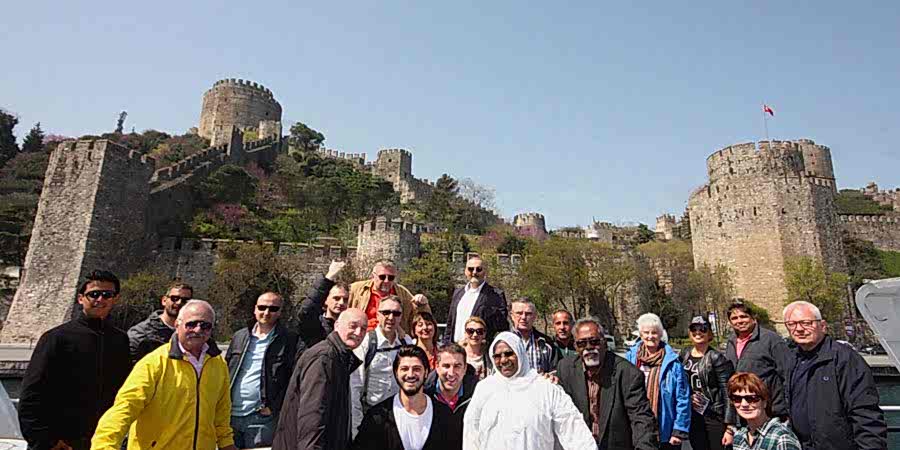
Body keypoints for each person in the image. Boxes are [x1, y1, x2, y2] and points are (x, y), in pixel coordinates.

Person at [92, 300, 236, 450]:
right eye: (191, 324)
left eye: (205, 325)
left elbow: (222, 412)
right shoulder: (153, 363)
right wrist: (104, 445)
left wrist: (226, 443)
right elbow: (124, 408)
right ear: (177, 324)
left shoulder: (218, 364)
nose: (198, 330)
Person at [19, 270, 131, 450]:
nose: (100, 299)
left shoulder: (120, 340)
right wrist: (46, 440)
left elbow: (124, 391)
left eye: (107, 295)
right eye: (94, 294)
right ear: (81, 298)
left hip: (102, 441)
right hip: (59, 442)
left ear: (115, 299)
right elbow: (31, 394)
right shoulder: (56, 338)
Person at [463, 332, 595, 450]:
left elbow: (572, 427)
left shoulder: (546, 388)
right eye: (497, 356)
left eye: (509, 353)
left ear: (520, 353)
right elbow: (471, 432)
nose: (503, 360)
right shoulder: (484, 388)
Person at [782, 301, 887, 450]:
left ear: (822, 325)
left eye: (806, 323)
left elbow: (865, 413)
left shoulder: (845, 359)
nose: (799, 329)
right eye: (792, 324)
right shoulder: (792, 360)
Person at [272, 308, 367, 450]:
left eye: (363, 329)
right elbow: (312, 415)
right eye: (353, 326)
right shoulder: (324, 358)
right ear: (337, 325)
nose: (358, 333)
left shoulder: (340, 358)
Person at [557, 317, 658, 449]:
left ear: (604, 343)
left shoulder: (628, 374)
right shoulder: (565, 369)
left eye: (594, 342)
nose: (589, 348)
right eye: (582, 343)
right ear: (575, 346)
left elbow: (641, 419)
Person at [225, 292, 300, 449]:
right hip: (230, 415)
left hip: (262, 418)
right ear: (255, 309)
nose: (266, 312)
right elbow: (225, 370)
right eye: (262, 307)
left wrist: (274, 406)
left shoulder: (289, 339)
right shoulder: (239, 336)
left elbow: (293, 379)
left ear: (280, 312)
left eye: (273, 309)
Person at [352, 346, 452, 450]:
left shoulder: (444, 415)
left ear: (426, 372)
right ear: (396, 373)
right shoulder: (377, 417)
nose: (410, 374)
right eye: (404, 369)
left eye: (416, 369)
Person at [350, 295, 415, 435]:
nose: (391, 317)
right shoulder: (366, 342)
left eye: (396, 313)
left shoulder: (406, 342)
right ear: (377, 314)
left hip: (401, 416)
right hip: (372, 416)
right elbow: (355, 387)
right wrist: (357, 427)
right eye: (386, 312)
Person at [625, 313, 690, 450]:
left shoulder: (673, 363)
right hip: (636, 426)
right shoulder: (630, 358)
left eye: (654, 332)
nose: (650, 336)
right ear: (641, 335)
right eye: (646, 332)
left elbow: (682, 398)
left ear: (660, 334)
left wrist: (679, 430)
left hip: (666, 429)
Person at [724, 302, 791, 419]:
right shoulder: (731, 342)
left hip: (770, 410)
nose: (739, 321)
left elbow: (787, 375)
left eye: (743, 316)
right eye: (734, 318)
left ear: (753, 318)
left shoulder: (771, 340)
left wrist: (786, 408)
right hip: (742, 408)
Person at [679, 316, 736, 450]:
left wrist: (730, 426)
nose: (698, 332)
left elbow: (728, 392)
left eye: (703, 329)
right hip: (693, 414)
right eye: (694, 329)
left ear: (709, 333)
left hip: (713, 415)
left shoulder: (716, 358)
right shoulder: (684, 354)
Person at [349, 259, 431, 335]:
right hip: (361, 336)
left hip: (392, 338)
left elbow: (420, 316)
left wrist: (423, 304)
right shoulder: (355, 289)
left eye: (391, 278)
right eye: (382, 277)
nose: (386, 281)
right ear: (373, 276)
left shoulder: (402, 293)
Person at [442, 255, 508, 344]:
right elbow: (450, 324)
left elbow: (501, 326)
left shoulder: (495, 295)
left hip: (479, 348)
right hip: (456, 347)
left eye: (479, 269)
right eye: (470, 269)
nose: (474, 272)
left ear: (485, 272)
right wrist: (446, 344)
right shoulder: (458, 293)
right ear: (465, 271)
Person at [424, 343, 479, 450]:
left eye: (457, 366)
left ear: (465, 368)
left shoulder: (477, 394)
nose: (451, 373)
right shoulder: (424, 394)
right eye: (446, 366)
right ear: (437, 366)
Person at [729, 372, 801, 450]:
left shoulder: (782, 437)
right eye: (737, 399)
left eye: (751, 398)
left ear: (765, 402)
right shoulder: (738, 436)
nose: (744, 404)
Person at [127, 281, 192, 363]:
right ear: (164, 300)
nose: (179, 303)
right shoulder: (141, 333)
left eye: (185, 300)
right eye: (175, 298)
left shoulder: (196, 333)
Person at [297, 260, 349, 349]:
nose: (341, 303)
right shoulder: (314, 323)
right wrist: (328, 278)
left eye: (345, 299)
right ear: (326, 300)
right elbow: (307, 310)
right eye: (336, 298)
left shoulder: (347, 328)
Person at [509, 298, 557, 373]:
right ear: (512, 315)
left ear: (535, 316)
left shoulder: (546, 342)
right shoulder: (502, 342)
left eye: (528, 314)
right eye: (519, 313)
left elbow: (554, 371)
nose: (523, 317)